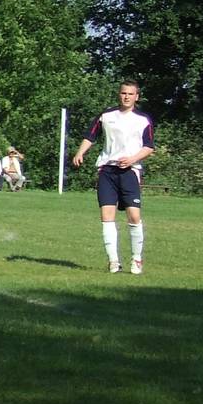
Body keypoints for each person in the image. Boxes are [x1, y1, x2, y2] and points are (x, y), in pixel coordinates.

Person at [71, 80, 155, 275]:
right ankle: (113, 261)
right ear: (119, 94)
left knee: (134, 216)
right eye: (123, 93)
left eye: (130, 94)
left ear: (137, 97)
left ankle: (136, 259)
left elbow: (149, 147)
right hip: (107, 171)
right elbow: (90, 136)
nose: (126, 97)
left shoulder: (143, 120)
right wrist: (80, 152)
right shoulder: (106, 115)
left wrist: (132, 159)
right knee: (107, 215)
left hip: (130, 171)